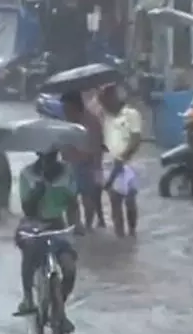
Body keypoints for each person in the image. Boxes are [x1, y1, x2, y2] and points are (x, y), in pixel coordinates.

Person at [13, 148, 79, 334]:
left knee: (69, 269)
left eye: (52, 157)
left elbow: (73, 204)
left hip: (58, 224)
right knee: (30, 254)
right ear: (39, 157)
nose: (48, 162)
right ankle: (28, 298)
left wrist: (77, 225)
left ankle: (59, 310)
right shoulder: (27, 174)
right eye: (45, 158)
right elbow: (27, 208)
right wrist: (38, 190)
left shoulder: (67, 173)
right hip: (33, 223)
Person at [96, 85, 142, 237]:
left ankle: (132, 232)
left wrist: (123, 156)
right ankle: (120, 236)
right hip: (110, 163)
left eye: (106, 99)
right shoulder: (104, 117)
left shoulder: (131, 114)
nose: (104, 103)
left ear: (115, 98)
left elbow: (136, 139)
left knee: (130, 202)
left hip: (129, 164)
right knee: (114, 202)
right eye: (102, 100)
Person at [61, 91, 106, 231]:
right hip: (69, 165)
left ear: (75, 106)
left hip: (86, 164)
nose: (65, 111)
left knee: (88, 198)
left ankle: (88, 226)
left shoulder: (91, 122)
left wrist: (97, 168)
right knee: (70, 200)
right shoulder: (65, 121)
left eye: (67, 108)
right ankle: (75, 227)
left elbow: (97, 146)